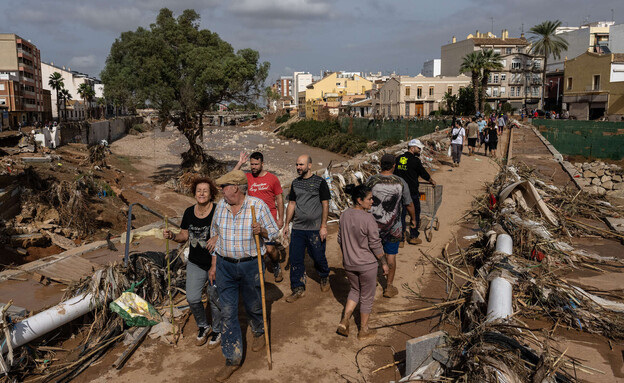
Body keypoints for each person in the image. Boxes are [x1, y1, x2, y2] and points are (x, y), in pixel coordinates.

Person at [210, 170, 279, 382]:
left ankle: (258, 330)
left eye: (225, 187)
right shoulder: (221, 206)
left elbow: (275, 232)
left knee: (253, 304)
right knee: (228, 311)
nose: (221, 191)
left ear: (236, 188)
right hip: (224, 266)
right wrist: (214, 259)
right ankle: (232, 358)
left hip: (250, 265)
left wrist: (263, 232)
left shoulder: (257, 206)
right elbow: (215, 233)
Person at [163, 176, 222, 348]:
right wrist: (173, 236)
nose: (201, 193)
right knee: (193, 297)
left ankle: (217, 330)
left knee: (213, 297)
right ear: (194, 193)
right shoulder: (189, 212)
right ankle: (204, 325)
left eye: (205, 191)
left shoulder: (218, 210)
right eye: (199, 191)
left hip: (216, 262)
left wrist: (217, 236)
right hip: (196, 262)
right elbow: (184, 236)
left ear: (211, 194)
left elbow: (227, 229)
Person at [337, 184, 388, 339]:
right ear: (359, 200)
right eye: (369, 199)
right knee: (367, 296)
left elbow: (340, 239)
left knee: (354, 290)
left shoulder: (344, 215)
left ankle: (345, 320)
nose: (372, 201)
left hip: (349, 263)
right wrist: (384, 262)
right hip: (367, 264)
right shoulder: (368, 218)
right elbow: (375, 243)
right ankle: (363, 330)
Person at [283, 154, 332, 302]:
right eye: (297, 164)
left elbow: (325, 204)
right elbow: (292, 204)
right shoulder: (295, 184)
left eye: (301, 165)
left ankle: (324, 276)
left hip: (315, 228)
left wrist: (323, 226)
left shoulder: (320, 182)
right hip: (298, 228)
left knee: (318, 256)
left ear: (309, 165)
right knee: (296, 258)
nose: (298, 167)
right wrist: (286, 224)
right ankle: (298, 288)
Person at [368, 154, 416, 298]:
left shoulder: (371, 180)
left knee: (371, 254)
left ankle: (372, 281)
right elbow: (408, 204)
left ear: (380, 164)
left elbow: (363, 200)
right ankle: (388, 287)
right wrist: (413, 219)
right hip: (394, 227)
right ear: (394, 165)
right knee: (391, 256)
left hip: (373, 226)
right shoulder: (401, 182)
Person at [234, 151, 285, 282]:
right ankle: (256, 275)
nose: (254, 167)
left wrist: (280, 218)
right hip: (252, 219)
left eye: (256, 164)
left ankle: (276, 264)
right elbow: (231, 177)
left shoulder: (272, 179)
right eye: (251, 164)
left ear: (262, 163)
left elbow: (279, 198)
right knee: (253, 249)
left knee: (269, 249)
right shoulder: (247, 177)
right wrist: (240, 163)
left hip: (269, 218)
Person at [394, 139, 436, 247]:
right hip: (412, 191)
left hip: (399, 191)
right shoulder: (415, 161)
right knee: (415, 213)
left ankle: (401, 239)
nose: (420, 150)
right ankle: (413, 236)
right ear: (412, 148)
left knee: (401, 215)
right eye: (418, 148)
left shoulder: (398, 159)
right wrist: (431, 180)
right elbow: (423, 173)